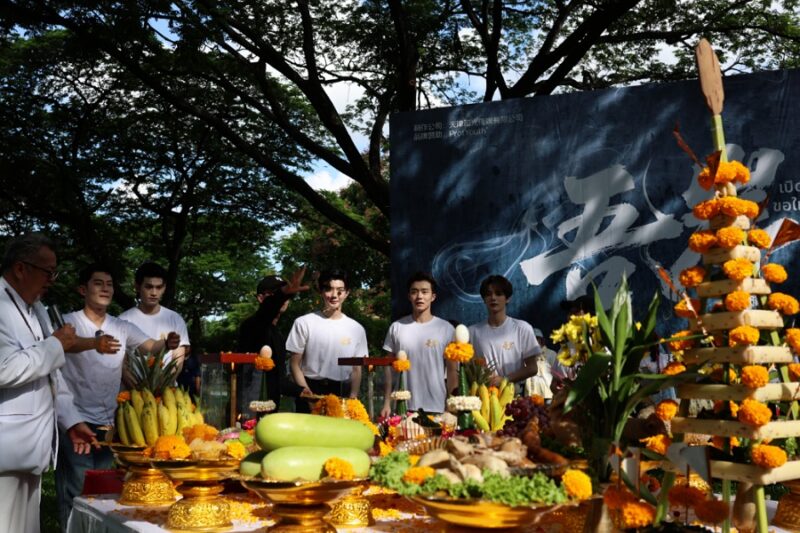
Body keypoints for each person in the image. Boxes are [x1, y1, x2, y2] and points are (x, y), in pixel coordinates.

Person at [57, 263, 180, 530]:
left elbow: (150, 346)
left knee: (104, 490)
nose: (105, 289)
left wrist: (167, 342)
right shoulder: (68, 323)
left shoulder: (121, 326)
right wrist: (93, 343)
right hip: (75, 420)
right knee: (76, 487)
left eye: (110, 284)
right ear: (82, 289)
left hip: (110, 423)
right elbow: (62, 345)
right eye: (98, 283)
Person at [0, 233, 97, 533]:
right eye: (48, 272)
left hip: (30, 448)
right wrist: (55, 345)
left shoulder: (38, 308)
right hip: (6, 449)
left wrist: (71, 420)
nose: (52, 281)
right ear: (21, 268)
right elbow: (4, 369)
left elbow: (52, 374)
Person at [287, 269, 367, 413]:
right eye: (329, 289)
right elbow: (294, 364)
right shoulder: (303, 323)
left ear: (347, 293)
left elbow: (356, 369)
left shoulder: (357, 329)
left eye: (340, 291)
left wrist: (353, 398)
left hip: (341, 391)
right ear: (321, 291)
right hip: (309, 389)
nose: (334, 295)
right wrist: (308, 395)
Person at [380, 272, 456, 417]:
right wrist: (387, 402)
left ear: (433, 296)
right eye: (414, 292)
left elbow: (452, 371)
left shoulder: (446, 329)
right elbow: (388, 369)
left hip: (437, 406)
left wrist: (451, 405)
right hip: (402, 406)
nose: (419, 296)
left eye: (424, 292)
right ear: (409, 296)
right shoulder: (397, 327)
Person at [236, 267, 310, 413]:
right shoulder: (252, 325)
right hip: (248, 411)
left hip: (269, 412)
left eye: (285, 296)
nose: (283, 300)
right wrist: (282, 294)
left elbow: (278, 379)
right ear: (260, 298)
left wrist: (300, 391)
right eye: (274, 293)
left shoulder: (278, 335)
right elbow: (266, 312)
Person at [468, 275, 540, 387]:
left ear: (507, 298)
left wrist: (505, 379)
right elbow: (469, 367)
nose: (493, 297)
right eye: (488, 294)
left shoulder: (522, 328)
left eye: (498, 293)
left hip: (514, 393)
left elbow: (532, 368)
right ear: (484, 299)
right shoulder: (472, 332)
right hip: (484, 393)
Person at [120, 262, 190, 374]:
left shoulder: (176, 319)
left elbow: (178, 361)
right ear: (137, 287)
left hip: (167, 384)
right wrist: (134, 384)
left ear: (164, 288)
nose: (154, 293)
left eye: (158, 287)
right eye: (148, 287)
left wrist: (165, 382)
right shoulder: (122, 321)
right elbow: (122, 364)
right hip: (132, 385)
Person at [524, 328, 565, 401]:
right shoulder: (527, 356)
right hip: (530, 397)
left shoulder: (551, 354)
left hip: (548, 396)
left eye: (536, 339)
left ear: (541, 340)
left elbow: (558, 374)